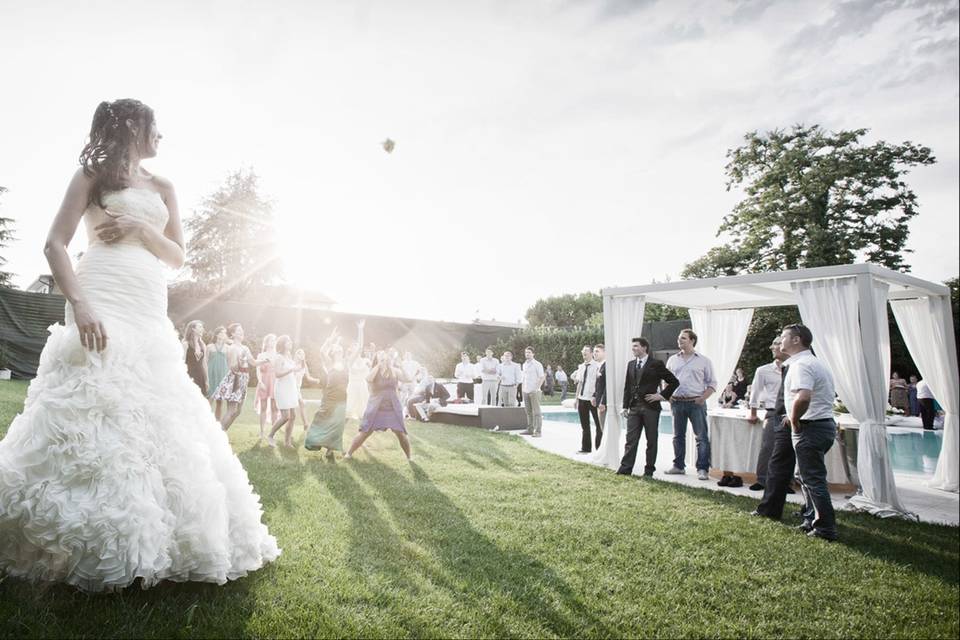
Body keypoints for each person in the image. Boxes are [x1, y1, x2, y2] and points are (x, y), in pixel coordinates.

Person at [0, 99, 279, 591]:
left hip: (148, 301)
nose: (160, 137)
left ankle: (156, 535)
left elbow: (176, 256)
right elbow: (54, 244)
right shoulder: (92, 176)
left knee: (156, 405)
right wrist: (81, 305)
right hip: (102, 292)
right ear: (133, 127)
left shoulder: (165, 186)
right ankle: (81, 533)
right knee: (96, 398)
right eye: (156, 128)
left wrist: (141, 229)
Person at [775, 324, 838, 541]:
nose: (780, 340)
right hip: (822, 424)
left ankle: (825, 529)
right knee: (805, 476)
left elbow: (804, 397)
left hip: (811, 428)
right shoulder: (814, 362)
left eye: (783, 337)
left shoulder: (801, 365)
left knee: (813, 479)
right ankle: (811, 519)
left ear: (796, 340)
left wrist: (794, 419)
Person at [617, 337, 679, 476]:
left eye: (636, 346)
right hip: (634, 408)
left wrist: (661, 395)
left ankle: (649, 470)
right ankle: (625, 469)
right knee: (630, 440)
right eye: (632, 347)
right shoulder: (631, 364)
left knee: (651, 440)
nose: (633, 349)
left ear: (644, 347)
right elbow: (627, 387)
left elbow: (674, 382)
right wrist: (625, 406)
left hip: (651, 408)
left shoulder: (656, 364)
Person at [665, 329, 717, 481]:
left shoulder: (704, 361)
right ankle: (678, 466)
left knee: (701, 437)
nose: (679, 341)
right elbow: (665, 380)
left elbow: (712, 383)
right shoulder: (672, 360)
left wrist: (702, 398)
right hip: (677, 403)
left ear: (692, 340)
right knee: (677, 436)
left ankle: (702, 469)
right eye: (679, 338)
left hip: (696, 403)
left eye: (683, 338)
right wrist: (668, 396)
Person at [346, 350, 412, 460]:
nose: (385, 361)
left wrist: (401, 366)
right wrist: (378, 365)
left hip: (393, 406)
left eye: (386, 359)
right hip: (376, 406)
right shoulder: (374, 371)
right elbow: (368, 379)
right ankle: (349, 453)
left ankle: (409, 457)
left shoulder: (395, 371)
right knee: (365, 432)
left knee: (400, 433)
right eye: (382, 359)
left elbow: (408, 379)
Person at [746, 337, 787, 492]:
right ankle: (762, 480)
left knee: (788, 449)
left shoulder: (795, 367)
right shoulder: (763, 370)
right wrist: (753, 413)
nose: (772, 347)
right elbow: (755, 393)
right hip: (773, 412)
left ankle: (787, 482)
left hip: (792, 412)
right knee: (768, 447)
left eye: (776, 344)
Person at [304, 330, 350, 459]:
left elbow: (358, 351)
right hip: (329, 397)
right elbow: (322, 351)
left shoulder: (346, 364)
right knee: (322, 418)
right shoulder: (329, 364)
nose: (339, 352)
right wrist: (331, 338)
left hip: (342, 398)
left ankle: (331, 449)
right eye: (336, 351)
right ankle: (315, 440)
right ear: (333, 353)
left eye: (340, 350)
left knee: (338, 423)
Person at [216, 323, 267, 432]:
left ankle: (222, 432)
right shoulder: (232, 348)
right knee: (231, 410)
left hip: (243, 380)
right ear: (233, 334)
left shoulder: (245, 348)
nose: (241, 332)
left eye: (242, 330)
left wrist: (264, 361)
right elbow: (232, 367)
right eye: (238, 330)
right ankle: (217, 434)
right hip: (235, 380)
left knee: (238, 411)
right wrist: (240, 360)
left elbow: (253, 362)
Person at [267, 336, 299, 448]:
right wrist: (291, 370)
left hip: (291, 388)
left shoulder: (289, 356)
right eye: (288, 341)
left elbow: (293, 372)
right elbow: (277, 374)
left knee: (293, 416)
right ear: (283, 344)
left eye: (290, 341)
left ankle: (287, 442)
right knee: (285, 416)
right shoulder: (279, 357)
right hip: (282, 389)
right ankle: (270, 435)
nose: (291, 342)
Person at [572, 346, 601, 453]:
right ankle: (586, 448)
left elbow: (599, 384)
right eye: (583, 352)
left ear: (591, 353)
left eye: (586, 352)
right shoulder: (581, 367)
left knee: (599, 425)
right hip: (582, 399)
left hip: (593, 399)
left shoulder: (597, 366)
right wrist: (576, 399)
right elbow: (579, 383)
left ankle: (599, 449)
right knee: (585, 426)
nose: (584, 354)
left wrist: (596, 396)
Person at [254, 334, 279, 438]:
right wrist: (260, 382)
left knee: (274, 408)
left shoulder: (278, 355)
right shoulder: (261, 355)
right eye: (271, 340)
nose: (273, 342)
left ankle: (272, 433)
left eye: (274, 340)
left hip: (275, 381)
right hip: (264, 381)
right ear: (267, 342)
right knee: (263, 407)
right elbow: (258, 370)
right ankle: (262, 432)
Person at [520, 347, 546, 437]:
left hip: (534, 391)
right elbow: (524, 378)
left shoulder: (537, 364)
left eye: (529, 352)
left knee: (537, 412)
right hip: (526, 391)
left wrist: (536, 388)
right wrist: (523, 389)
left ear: (533, 354)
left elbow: (542, 377)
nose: (527, 354)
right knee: (528, 412)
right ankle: (530, 429)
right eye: (526, 352)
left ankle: (538, 431)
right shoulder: (524, 365)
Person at [206, 325, 230, 419]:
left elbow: (228, 362)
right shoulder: (209, 346)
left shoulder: (227, 348)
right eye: (221, 332)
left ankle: (217, 423)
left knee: (220, 401)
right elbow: (205, 361)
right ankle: (205, 420)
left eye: (224, 333)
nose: (223, 334)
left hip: (222, 374)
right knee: (209, 399)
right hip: (211, 374)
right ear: (216, 334)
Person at [294, 348, 321, 431]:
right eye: (299, 354)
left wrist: (317, 380)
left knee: (301, 405)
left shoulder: (304, 365)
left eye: (303, 354)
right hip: (291, 388)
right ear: (296, 355)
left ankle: (305, 424)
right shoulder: (292, 364)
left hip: (297, 388)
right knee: (300, 404)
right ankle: (305, 424)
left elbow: (308, 377)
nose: (301, 355)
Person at [182, 319, 207, 394]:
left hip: (200, 376)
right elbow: (181, 363)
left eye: (202, 327)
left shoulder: (203, 345)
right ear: (193, 329)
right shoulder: (185, 344)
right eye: (199, 327)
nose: (202, 329)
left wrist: (206, 380)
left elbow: (204, 364)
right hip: (189, 376)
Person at [593, 345, 607, 433]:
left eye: (597, 351)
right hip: (599, 402)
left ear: (604, 352)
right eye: (594, 351)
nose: (594, 353)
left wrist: (603, 402)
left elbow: (607, 385)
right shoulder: (599, 366)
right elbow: (598, 384)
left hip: (604, 404)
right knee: (601, 428)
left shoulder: (607, 366)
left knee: (605, 428)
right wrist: (594, 396)